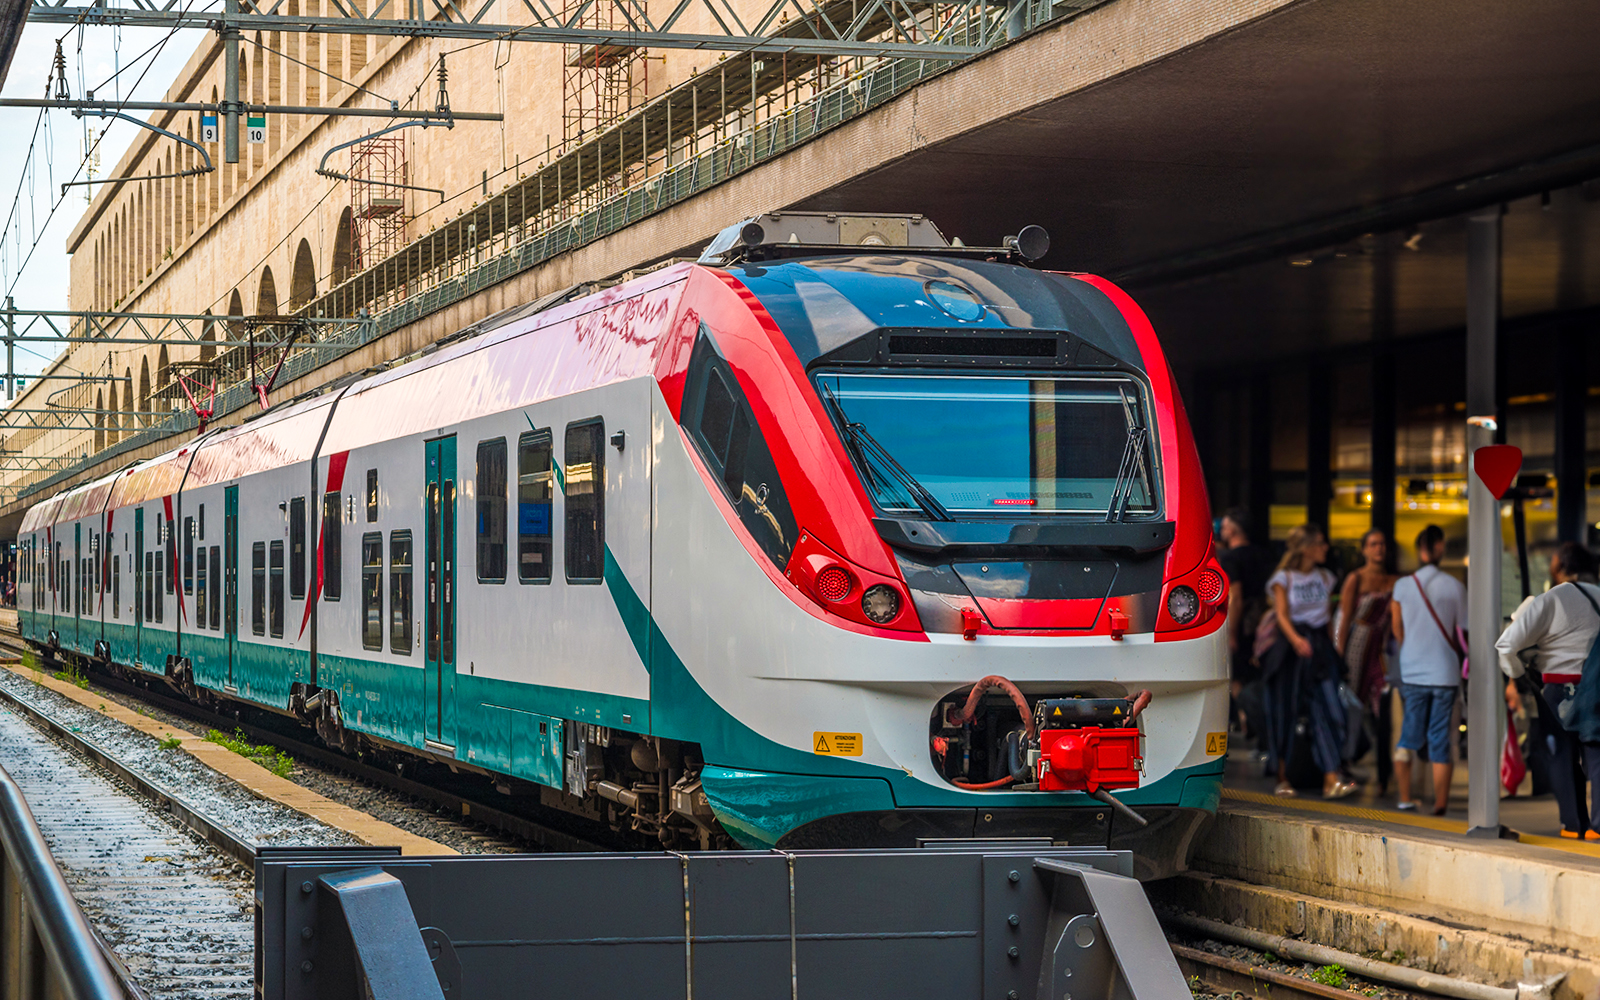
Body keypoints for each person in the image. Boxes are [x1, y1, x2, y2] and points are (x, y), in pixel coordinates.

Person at [1495, 541, 1600, 840]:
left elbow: (1506, 646)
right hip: (1597, 689)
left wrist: (1520, 679)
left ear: (1559, 567)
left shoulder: (1552, 599)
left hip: (1558, 690)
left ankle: (1574, 825)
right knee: (1596, 754)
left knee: (1561, 756)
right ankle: (1599, 827)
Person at [1262, 523, 1354, 798]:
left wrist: (1335, 650)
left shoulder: (1326, 577)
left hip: (1320, 648)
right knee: (1285, 711)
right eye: (1321, 543)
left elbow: (1327, 618)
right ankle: (1283, 776)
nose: (1326, 548)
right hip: (1291, 649)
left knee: (1330, 709)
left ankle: (1331, 775)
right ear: (1307, 548)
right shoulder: (1284, 578)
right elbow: (1281, 614)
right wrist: (1295, 640)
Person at [1389, 525, 1467, 815]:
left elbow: (1397, 629)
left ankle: (1405, 798)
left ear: (1420, 550)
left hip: (1413, 672)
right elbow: (1464, 632)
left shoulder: (1402, 586)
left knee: (1408, 736)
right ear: (1439, 549)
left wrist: (1412, 650)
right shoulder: (1455, 586)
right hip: (1445, 672)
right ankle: (1440, 804)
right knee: (1439, 737)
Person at [1337, 529, 1397, 793]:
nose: (1378, 549)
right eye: (1373, 544)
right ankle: (1344, 761)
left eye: (1382, 544)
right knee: (1353, 705)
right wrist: (1339, 655)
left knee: (1384, 707)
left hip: (1382, 648)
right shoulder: (1356, 578)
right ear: (1364, 549)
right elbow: (1345, 617)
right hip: (1358, 644)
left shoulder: (1395, 580)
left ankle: (1386, 771)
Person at [1217, 508, 1275, 728]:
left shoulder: (1231, 557)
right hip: (1266, 623)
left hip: (1244, 625)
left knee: (1239, 675)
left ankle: (1248, 722)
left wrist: (1231, 633)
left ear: (1232, 531)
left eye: (1223, 527)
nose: (1221, 531)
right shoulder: (1264, 554)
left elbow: (1236, 597)